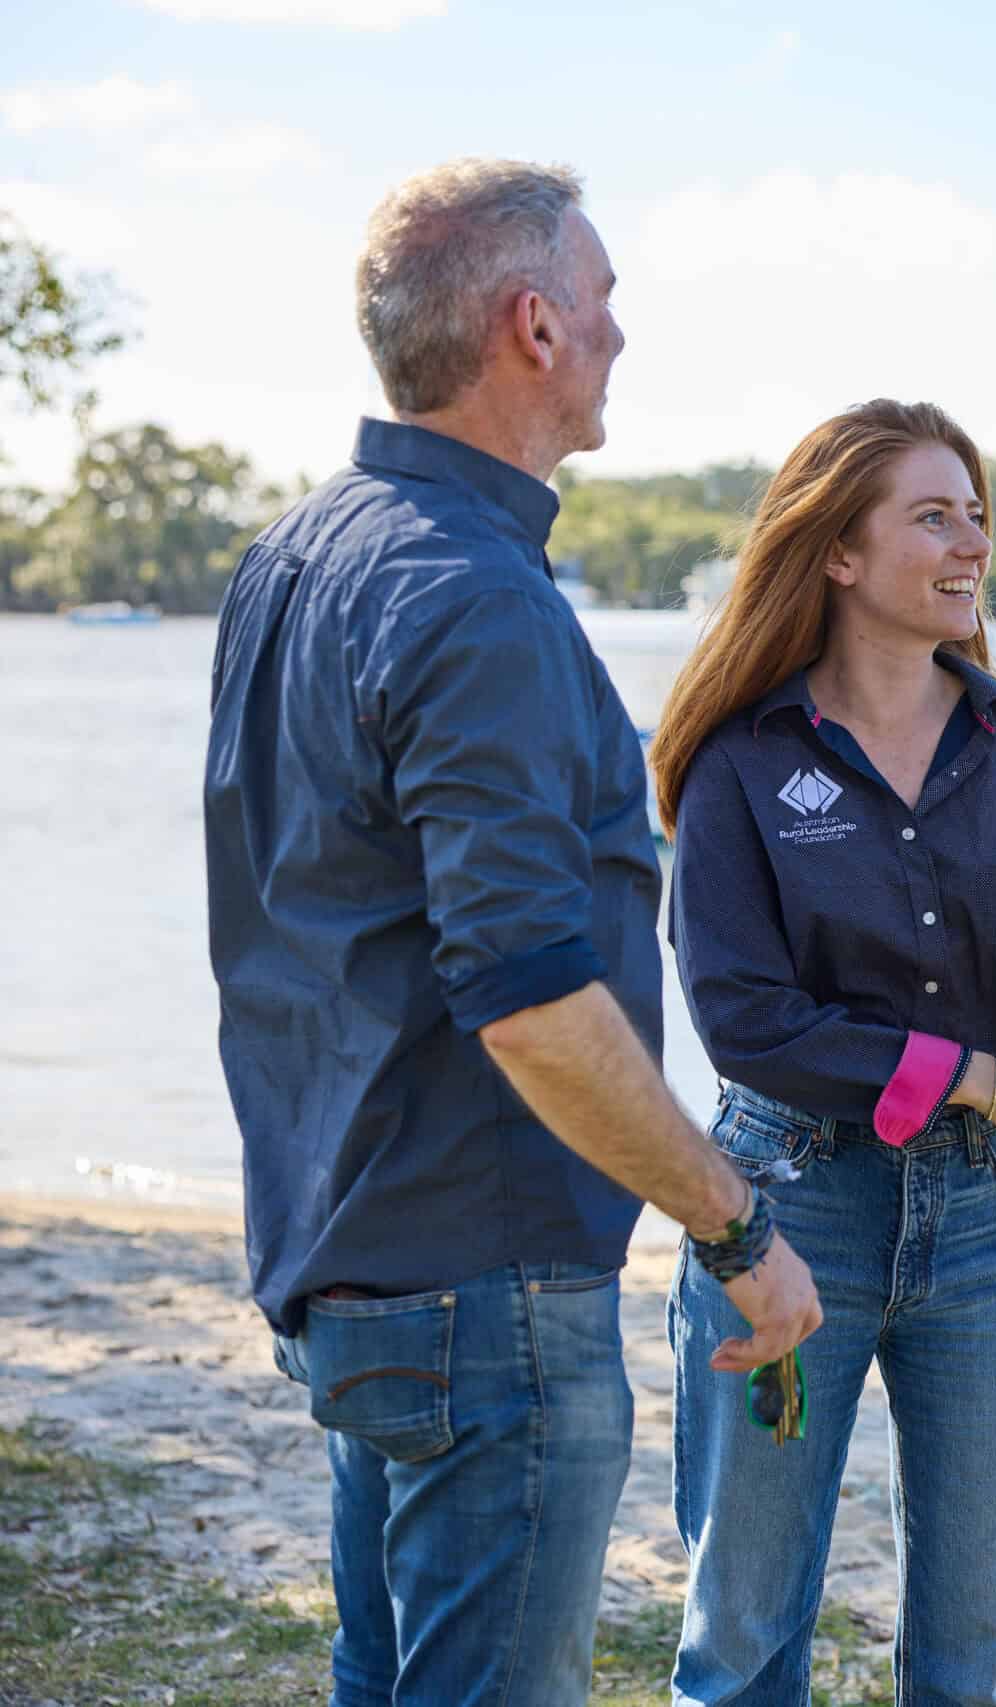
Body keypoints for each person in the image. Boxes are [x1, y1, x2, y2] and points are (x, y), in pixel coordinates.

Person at [202, 158, 820, 1707]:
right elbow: (531, 997)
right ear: (534, 327)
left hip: (349, 1256)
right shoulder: (473, 595)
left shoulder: (292, 559)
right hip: (482, 1294)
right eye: (605, 304)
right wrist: (734, 1224)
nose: (622, 335)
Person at [647, 398, 996, 1707]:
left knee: (988, 1648)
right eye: (933, 515)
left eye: (979, 516)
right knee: (744, 1634)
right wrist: (976, 1073)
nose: (972, 544)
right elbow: (749, 1024)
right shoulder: (739, 764)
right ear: (837, 550)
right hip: (785, 1212)